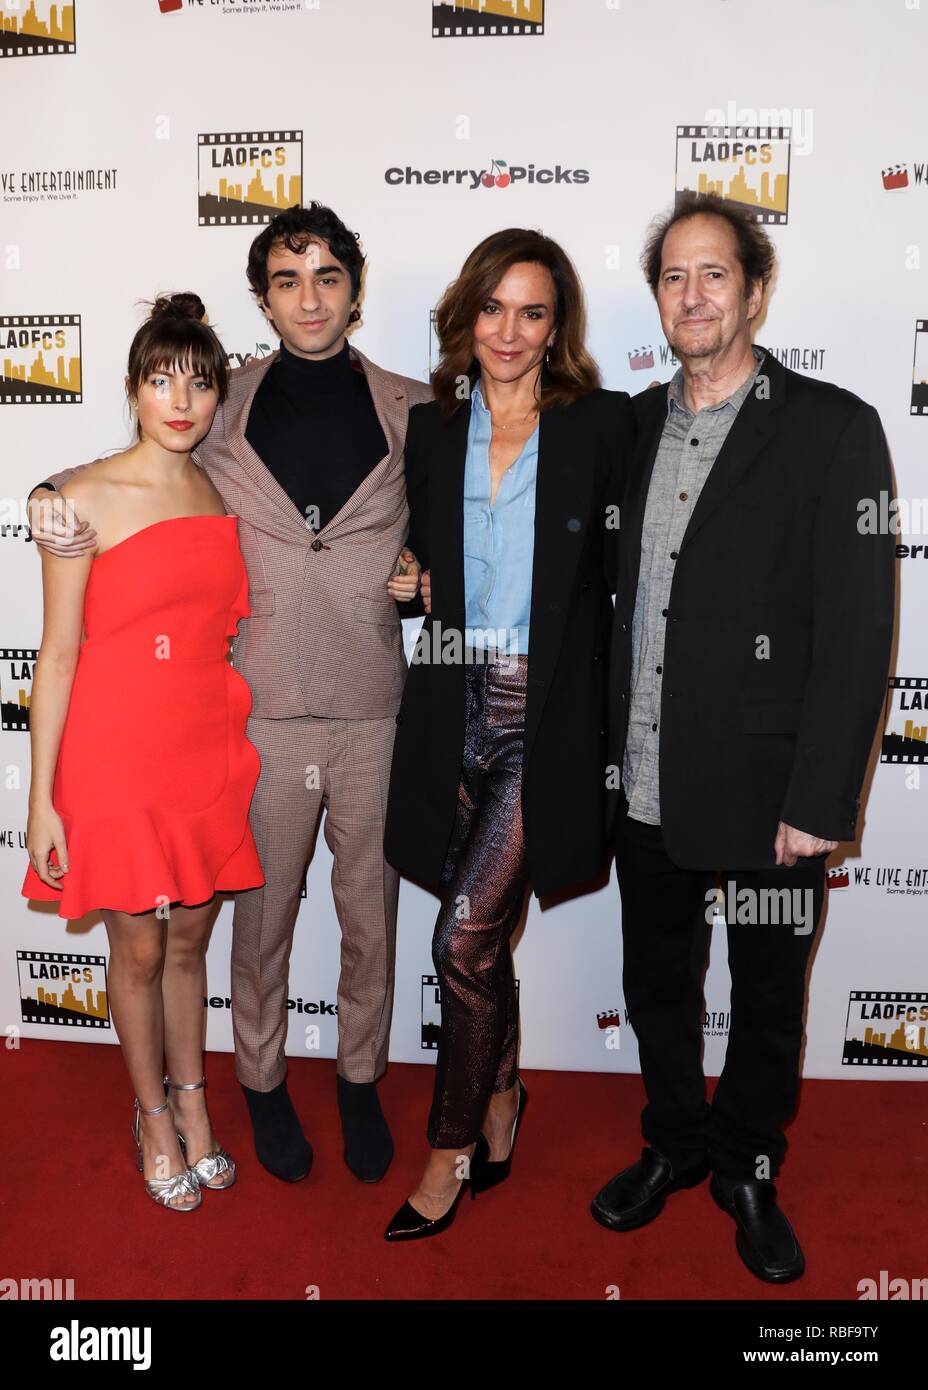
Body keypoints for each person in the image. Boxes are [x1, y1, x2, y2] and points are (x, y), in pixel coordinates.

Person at [26, 203, 431, 1187]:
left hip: (372, 702)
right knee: (258, 920)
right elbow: (118, 474)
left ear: (355, 291)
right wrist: (42, 493)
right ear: (263, 297)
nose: (309, 298)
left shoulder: (416, 409)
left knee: (370, 916)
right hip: (257, 709)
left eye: (328, 277)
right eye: (288, 280)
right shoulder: (220, 402)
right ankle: (258, 1082)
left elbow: (457, 528)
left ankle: (360, 1078)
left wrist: (425, 576)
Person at [591, 192, 896, 1282]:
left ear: (756, 293)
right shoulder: (629, 428)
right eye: (673, 276)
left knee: (768, 1001)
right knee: (657, 986)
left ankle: (747, 1165)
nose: (693, 295)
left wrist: (819, 802)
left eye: (713, 273)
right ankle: (674, 1144)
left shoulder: (832, 428)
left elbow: (857, 632)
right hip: (644, 780)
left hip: (772, 795)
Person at [382, 228, 634, 1241]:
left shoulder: (602, 425)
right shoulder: (432, 427)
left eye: (532, 311)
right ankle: (502, 1093)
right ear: (466, 314)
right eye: (492, 307)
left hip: (545, 717)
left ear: (556, 325)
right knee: (480, 944)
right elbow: (421, 560)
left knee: (460, 938)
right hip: (450, 704)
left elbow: (630, 570)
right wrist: (411, 577)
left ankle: (447, 1149)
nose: (509, 331)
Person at [23, 292, 265, 1211]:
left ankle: (194, 1100)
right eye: (162, 381)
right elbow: (56, 655)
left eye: (200, 384)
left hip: (205, 746)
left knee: (192, 938)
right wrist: (42, 801)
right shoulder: (79, 501)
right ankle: (152, 1115)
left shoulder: (218, 493)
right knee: (137, 949)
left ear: (218, 398)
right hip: (115, 758)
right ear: (131, 389)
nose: (181, 401)